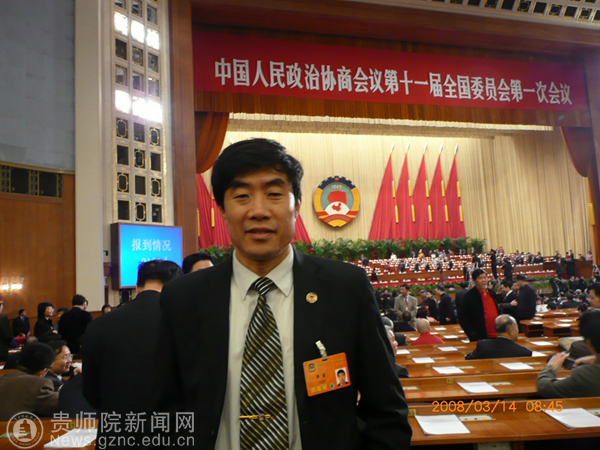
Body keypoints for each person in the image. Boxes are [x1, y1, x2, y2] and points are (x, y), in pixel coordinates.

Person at [156, 138, 411, 450]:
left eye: (274, 194)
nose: (258, 211)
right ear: (222, 208)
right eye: (242, 196)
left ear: (298, 205)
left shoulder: (345, 288)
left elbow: (386, 409)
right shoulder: (184, 298)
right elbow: (165, 409)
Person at [83, 260, 183, 414]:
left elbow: (90, 391)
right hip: (173, 423)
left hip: (117, 422)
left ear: (137, 288)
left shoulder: (98, 324)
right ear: (177, 286)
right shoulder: (184, 321)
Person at [537, 310, 600, 398]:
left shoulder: (585, 375)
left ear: (588, 342)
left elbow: (545, 387)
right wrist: (596, 358)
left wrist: (550, 368)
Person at [0, 342, 58, 420]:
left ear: (17, 361)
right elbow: (63, 406)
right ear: (42, 371)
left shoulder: (3, 378)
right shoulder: (39, 384)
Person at [458, 269, 501, 342]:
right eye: (480, 278)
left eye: (485, 277)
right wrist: (472, 334)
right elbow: (462, 317)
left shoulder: (492, 293)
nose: (484, 280)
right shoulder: (469, 296)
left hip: (497, 334)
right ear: (474, 280)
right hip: (481, 336)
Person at [465, 315, 532, 360]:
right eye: (517, 327)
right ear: (511, 331)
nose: (518, 331)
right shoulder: (524, 352)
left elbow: (469, 359)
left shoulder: (483, 346)